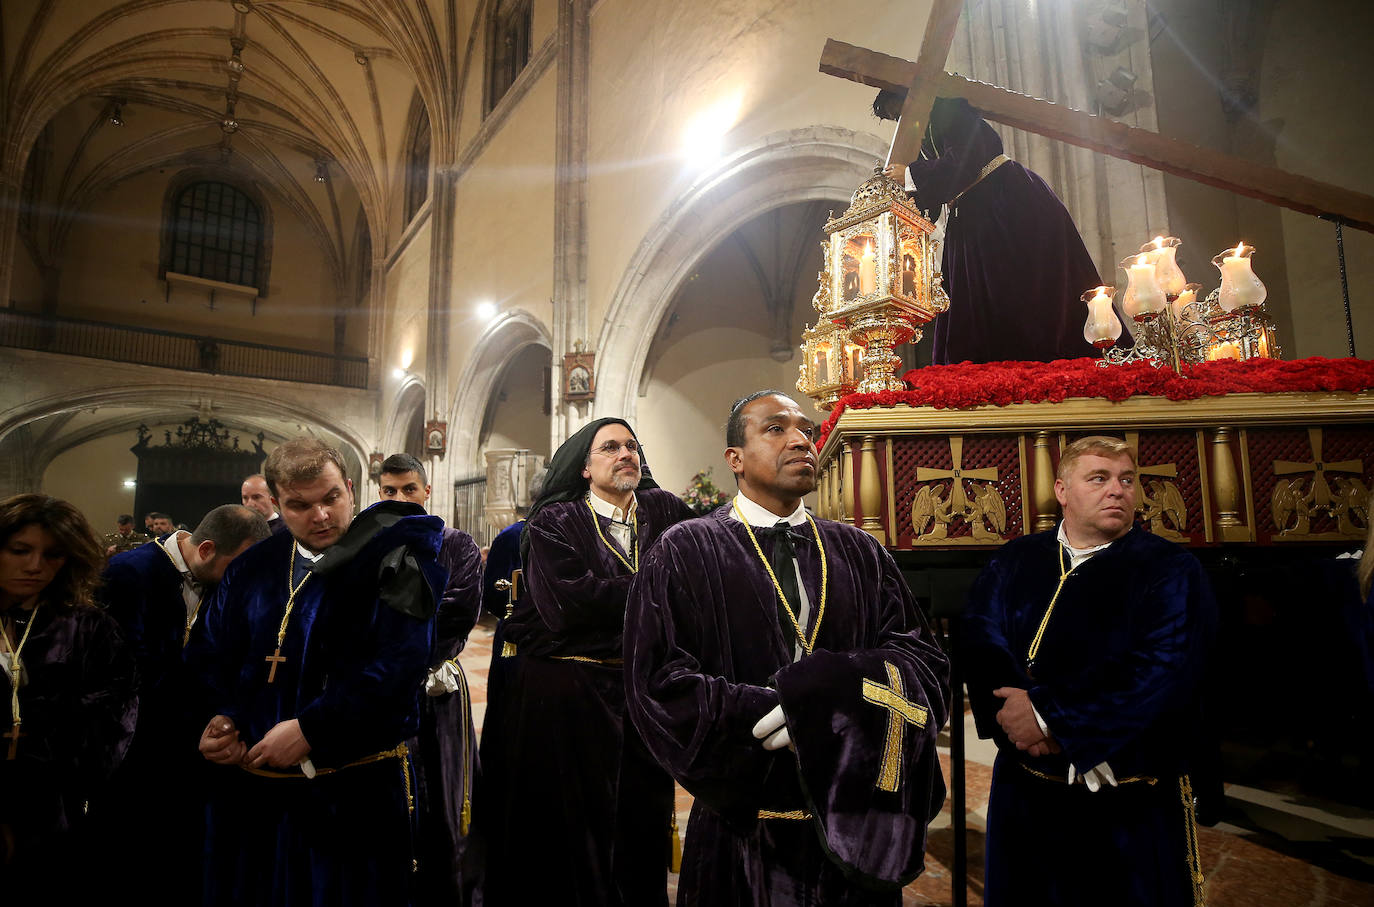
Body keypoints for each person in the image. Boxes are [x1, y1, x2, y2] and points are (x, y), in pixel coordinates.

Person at [624, 390, 950, 905]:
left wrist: (828, 707)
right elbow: (657, 683)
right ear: (735, 459)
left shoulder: (859, 550)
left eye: (807, 429)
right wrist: (778, 713)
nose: (802, 439)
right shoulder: (685, 549)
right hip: (745, 834)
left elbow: (925, 664)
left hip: (855, 823)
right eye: (775, 429)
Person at [184, 438, 448, 906]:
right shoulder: (252, 566)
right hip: (254, 788)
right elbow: (210, 652)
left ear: (350, 488)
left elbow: (400, 666)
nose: (321, 516)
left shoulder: (395, 557)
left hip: (351, 794)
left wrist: (312, 728)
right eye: (300, 505)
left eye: (330, 498)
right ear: (278, 504)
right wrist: (220, 718)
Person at [960, 435, 1217, 906]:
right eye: (1099, 478)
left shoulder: (1169, 568)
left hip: (1126, 792)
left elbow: (1165, 667)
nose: (1117, 490)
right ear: (1062, 490)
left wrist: (1052, 717)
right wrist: (1020, 723)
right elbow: (980, 636)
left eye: (1126, 480)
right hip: (1027, 782)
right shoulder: (1016, 559)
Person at [478, 418, 695, 906]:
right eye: (610, 447)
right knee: (577, 825)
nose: (626, 453)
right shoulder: (555, 521)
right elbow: (568, 603)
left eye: (631, 446)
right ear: (583, 467)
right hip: (571, 697)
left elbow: (699, 582)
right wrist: (664, 596)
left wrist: (620, 604)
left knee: (642, 817)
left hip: (643, 698)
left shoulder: (666, 510)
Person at [93, 503, 269, 896]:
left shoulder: (222, 585)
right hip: (137, 749)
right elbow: (127, 671)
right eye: (237, 568)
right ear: (206, 549)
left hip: (195, 751)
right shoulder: (130, 573)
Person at [876, 94, 1101, 365]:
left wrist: (912, 175)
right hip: (973, 212)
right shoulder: (926, 136)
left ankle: (1038, 362)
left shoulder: (951, 111)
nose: (901, 123)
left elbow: (967, 160)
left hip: (1006, 203)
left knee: (1024, 291)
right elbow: (939, 192)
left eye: (898, 113)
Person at [0, 494, 138, 897]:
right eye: (19, 550)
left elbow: (117, 707)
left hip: (51, 801)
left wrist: (43, 723)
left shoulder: (86, 626)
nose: (35, 566)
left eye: (54, 555)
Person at [378, 453, 485, 906]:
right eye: (390, 491)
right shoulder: (365, 543)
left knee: (443, 795)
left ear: (426, 491)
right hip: (378, 691)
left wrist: (391, 640)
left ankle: (449, 887)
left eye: (408, 489)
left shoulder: (456, 543)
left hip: (434, 686)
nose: (400, 498)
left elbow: (458, 611)